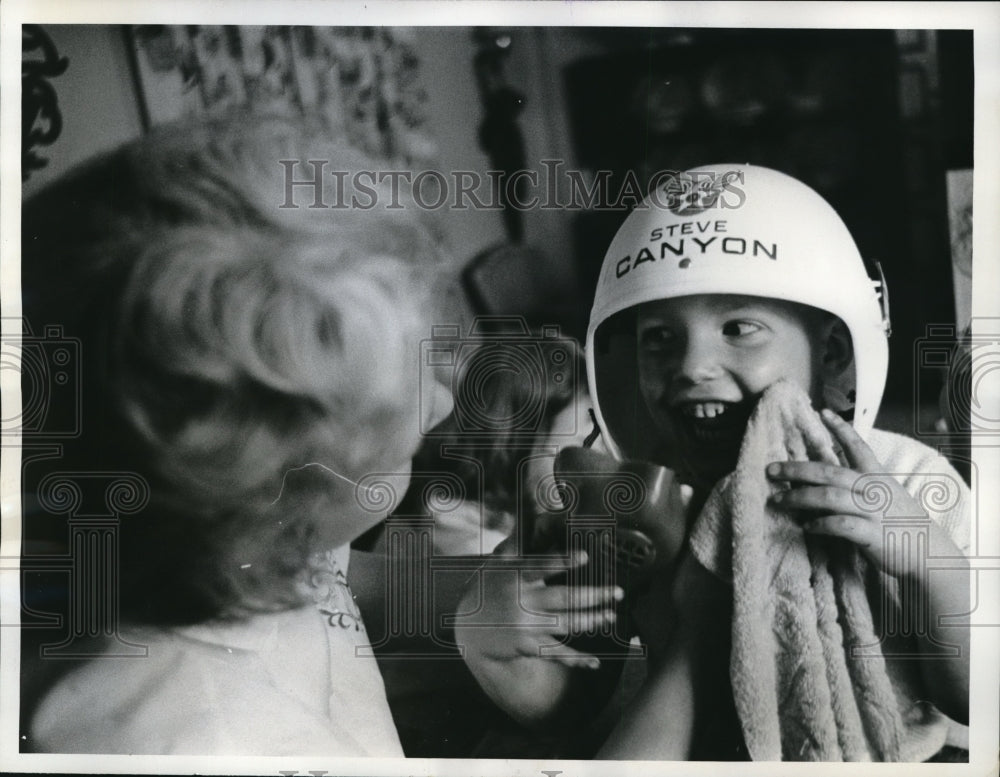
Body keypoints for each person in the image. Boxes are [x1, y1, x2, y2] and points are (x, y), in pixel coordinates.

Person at [456, 164, 971, 761]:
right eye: (660, 338)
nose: (691, 365)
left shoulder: (905, 480)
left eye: (739, 327)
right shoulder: (623, 498)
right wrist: (490, 639)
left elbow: (975, 701)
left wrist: (932, 564)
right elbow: (576, 702)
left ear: (831, 352)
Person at [21, 112, 456, 755]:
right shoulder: (218, 738)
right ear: (276, 522)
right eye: (406, 425)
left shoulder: (232, 549)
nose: (443, 405)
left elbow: (332, 589)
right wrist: (667, 679)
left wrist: (475, 597)